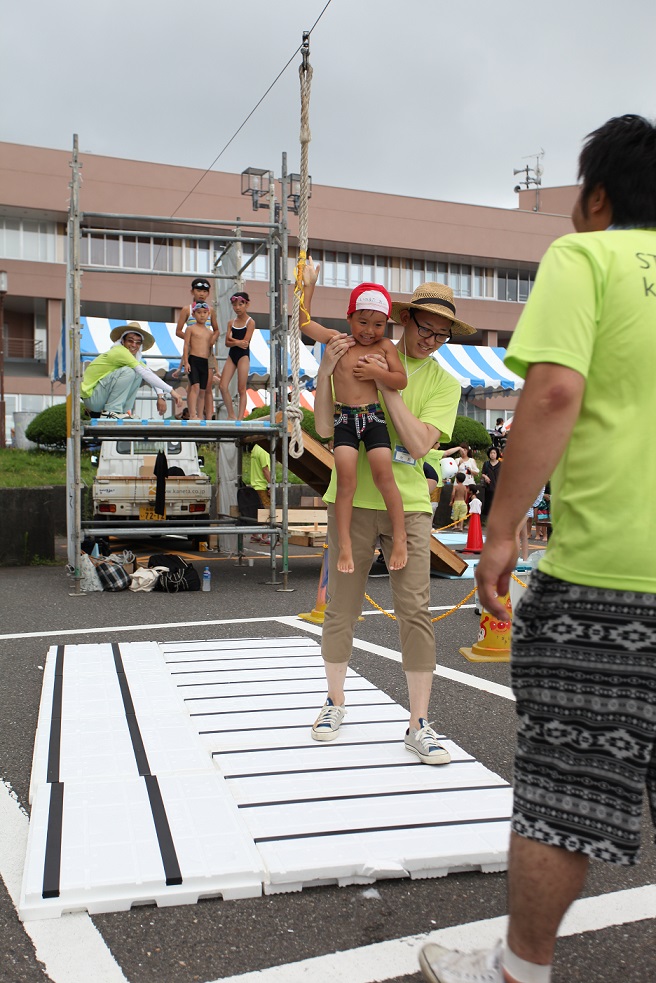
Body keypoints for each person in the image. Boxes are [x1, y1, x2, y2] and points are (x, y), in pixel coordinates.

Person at [419, 114, 656, 983]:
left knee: (567, 788)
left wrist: (503, 532)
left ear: (596, 198)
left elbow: (554, 390)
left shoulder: (584, 259)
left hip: (610, 579)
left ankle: (518, 969)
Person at [304, 275, 477, 763]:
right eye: (426, 327)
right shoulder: (357, 344)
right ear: (405, 319)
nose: (432, 339)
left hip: (411, 507)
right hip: (353, 500)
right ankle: (334, 703)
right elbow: (322, 426)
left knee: (415, 613)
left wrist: (387, 385)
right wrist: (326, 373)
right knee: (339, 608)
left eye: (443, 334)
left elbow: (421, 444)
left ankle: (419, 722)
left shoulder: (445, 381)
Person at [299, 267, 409, 574]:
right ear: (349, 319)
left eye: (378, 324)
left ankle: (400, 537)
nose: (369, 330)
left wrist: (378, 374)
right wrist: (309, 287)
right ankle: (345, 546)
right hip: (344, 419)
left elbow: (400, 381)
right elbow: (304, 322)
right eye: (362, 322)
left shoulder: (385, 347)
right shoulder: (341, 342)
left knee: (384, 477)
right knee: (345, 482)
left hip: (373, 418)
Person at [81, 323, 184, 419]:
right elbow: (144, 373)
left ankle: (124, 412)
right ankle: (112, 411)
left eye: (138, 342)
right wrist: (172, 392)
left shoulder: (132, 359)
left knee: (138, 373)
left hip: (99, 398)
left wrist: (161, 396)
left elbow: (148, 373)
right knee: (129, 371)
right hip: (92, 398)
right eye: (130, 340)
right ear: (123, 341)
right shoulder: (120, 351)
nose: (134, 345)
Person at [176, 277, 221, 420]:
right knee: (192, 386)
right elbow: (178, 331)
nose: (201, 293)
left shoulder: (211, 310)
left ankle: (208, 417)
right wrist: (192, 340)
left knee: (207, 387)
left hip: (207, 353)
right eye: (198, 290)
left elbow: (216, 330)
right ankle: (193, 414)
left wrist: (211, 339)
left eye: (204, 291)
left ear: (208, 293)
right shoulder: (186, 310)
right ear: (192, 291)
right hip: (193, 352)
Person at [219, 291, 255, 420]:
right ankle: (231, 414)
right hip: (232, 355)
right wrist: (236, 342)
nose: (237, 308)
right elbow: (226, 343)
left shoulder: (250, 322)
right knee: (222, 386)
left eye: (241, 304)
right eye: (235, 305)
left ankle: (240, 418)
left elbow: (245, 344)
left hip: (243, 357)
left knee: (241, 388)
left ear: (247, 304)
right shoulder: (231, 323)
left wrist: (234, 340)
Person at [182, 303, 219, 419]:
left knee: (203, 391)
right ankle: (193, 414)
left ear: (208, 314)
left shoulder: (210, 333)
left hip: (205, 362)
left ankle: (200, 416)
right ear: (193, 314)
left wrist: (216, 370)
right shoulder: (190, 329)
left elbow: (211, 353)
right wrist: (186, 362)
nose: (202, 315)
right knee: (195, 387)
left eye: (204, 313)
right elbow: (186, 346)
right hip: (194, 360)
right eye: (199, 313)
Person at [249, 442, 272, 545]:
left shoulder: (255, 448)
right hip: (262, 485)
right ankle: (265, 537)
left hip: (254, 484)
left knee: (257, 511)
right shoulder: (264, 450)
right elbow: (265, 469)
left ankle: (255, 535)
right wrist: (271, 484)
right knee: (267, 511)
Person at [481, 445, 501, 521]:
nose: (492, 454)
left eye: (494, 453)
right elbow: (483, 473)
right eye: (491, 453)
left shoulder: (501, 464)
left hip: (498, 487)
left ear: (497, 454)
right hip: (488, 487)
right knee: (488, 503)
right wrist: (485, 477)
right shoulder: (486, 464)